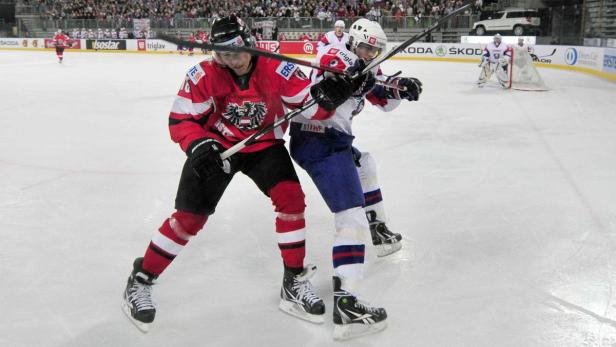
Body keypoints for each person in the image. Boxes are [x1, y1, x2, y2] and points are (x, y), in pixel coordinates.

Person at [122, 14, 344, 333]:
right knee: (189, 218)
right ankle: (141, 279)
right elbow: (180, 119)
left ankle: (293, 281)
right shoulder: (203, 75)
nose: (232, 61)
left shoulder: (278, 68)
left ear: (250, 44)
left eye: (236, 52)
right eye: (223, 55)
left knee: (291, 200)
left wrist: (329, 97)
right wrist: (199, 145)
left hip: (263, 145)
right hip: (218, 148)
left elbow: (311, 107)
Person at [290, 18, 423, 340]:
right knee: (349, 216)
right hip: (317, 138)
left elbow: (382, 97)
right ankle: (347, 303)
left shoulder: (365, 70)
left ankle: (377, 227)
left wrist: (401, 87)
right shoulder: (333, 54)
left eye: (374, 50)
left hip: (335, 142)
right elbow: (326, 61)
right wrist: (354, 74)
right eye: (365, 47)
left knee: (366, 164)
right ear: (352, 41)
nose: (369, 53)